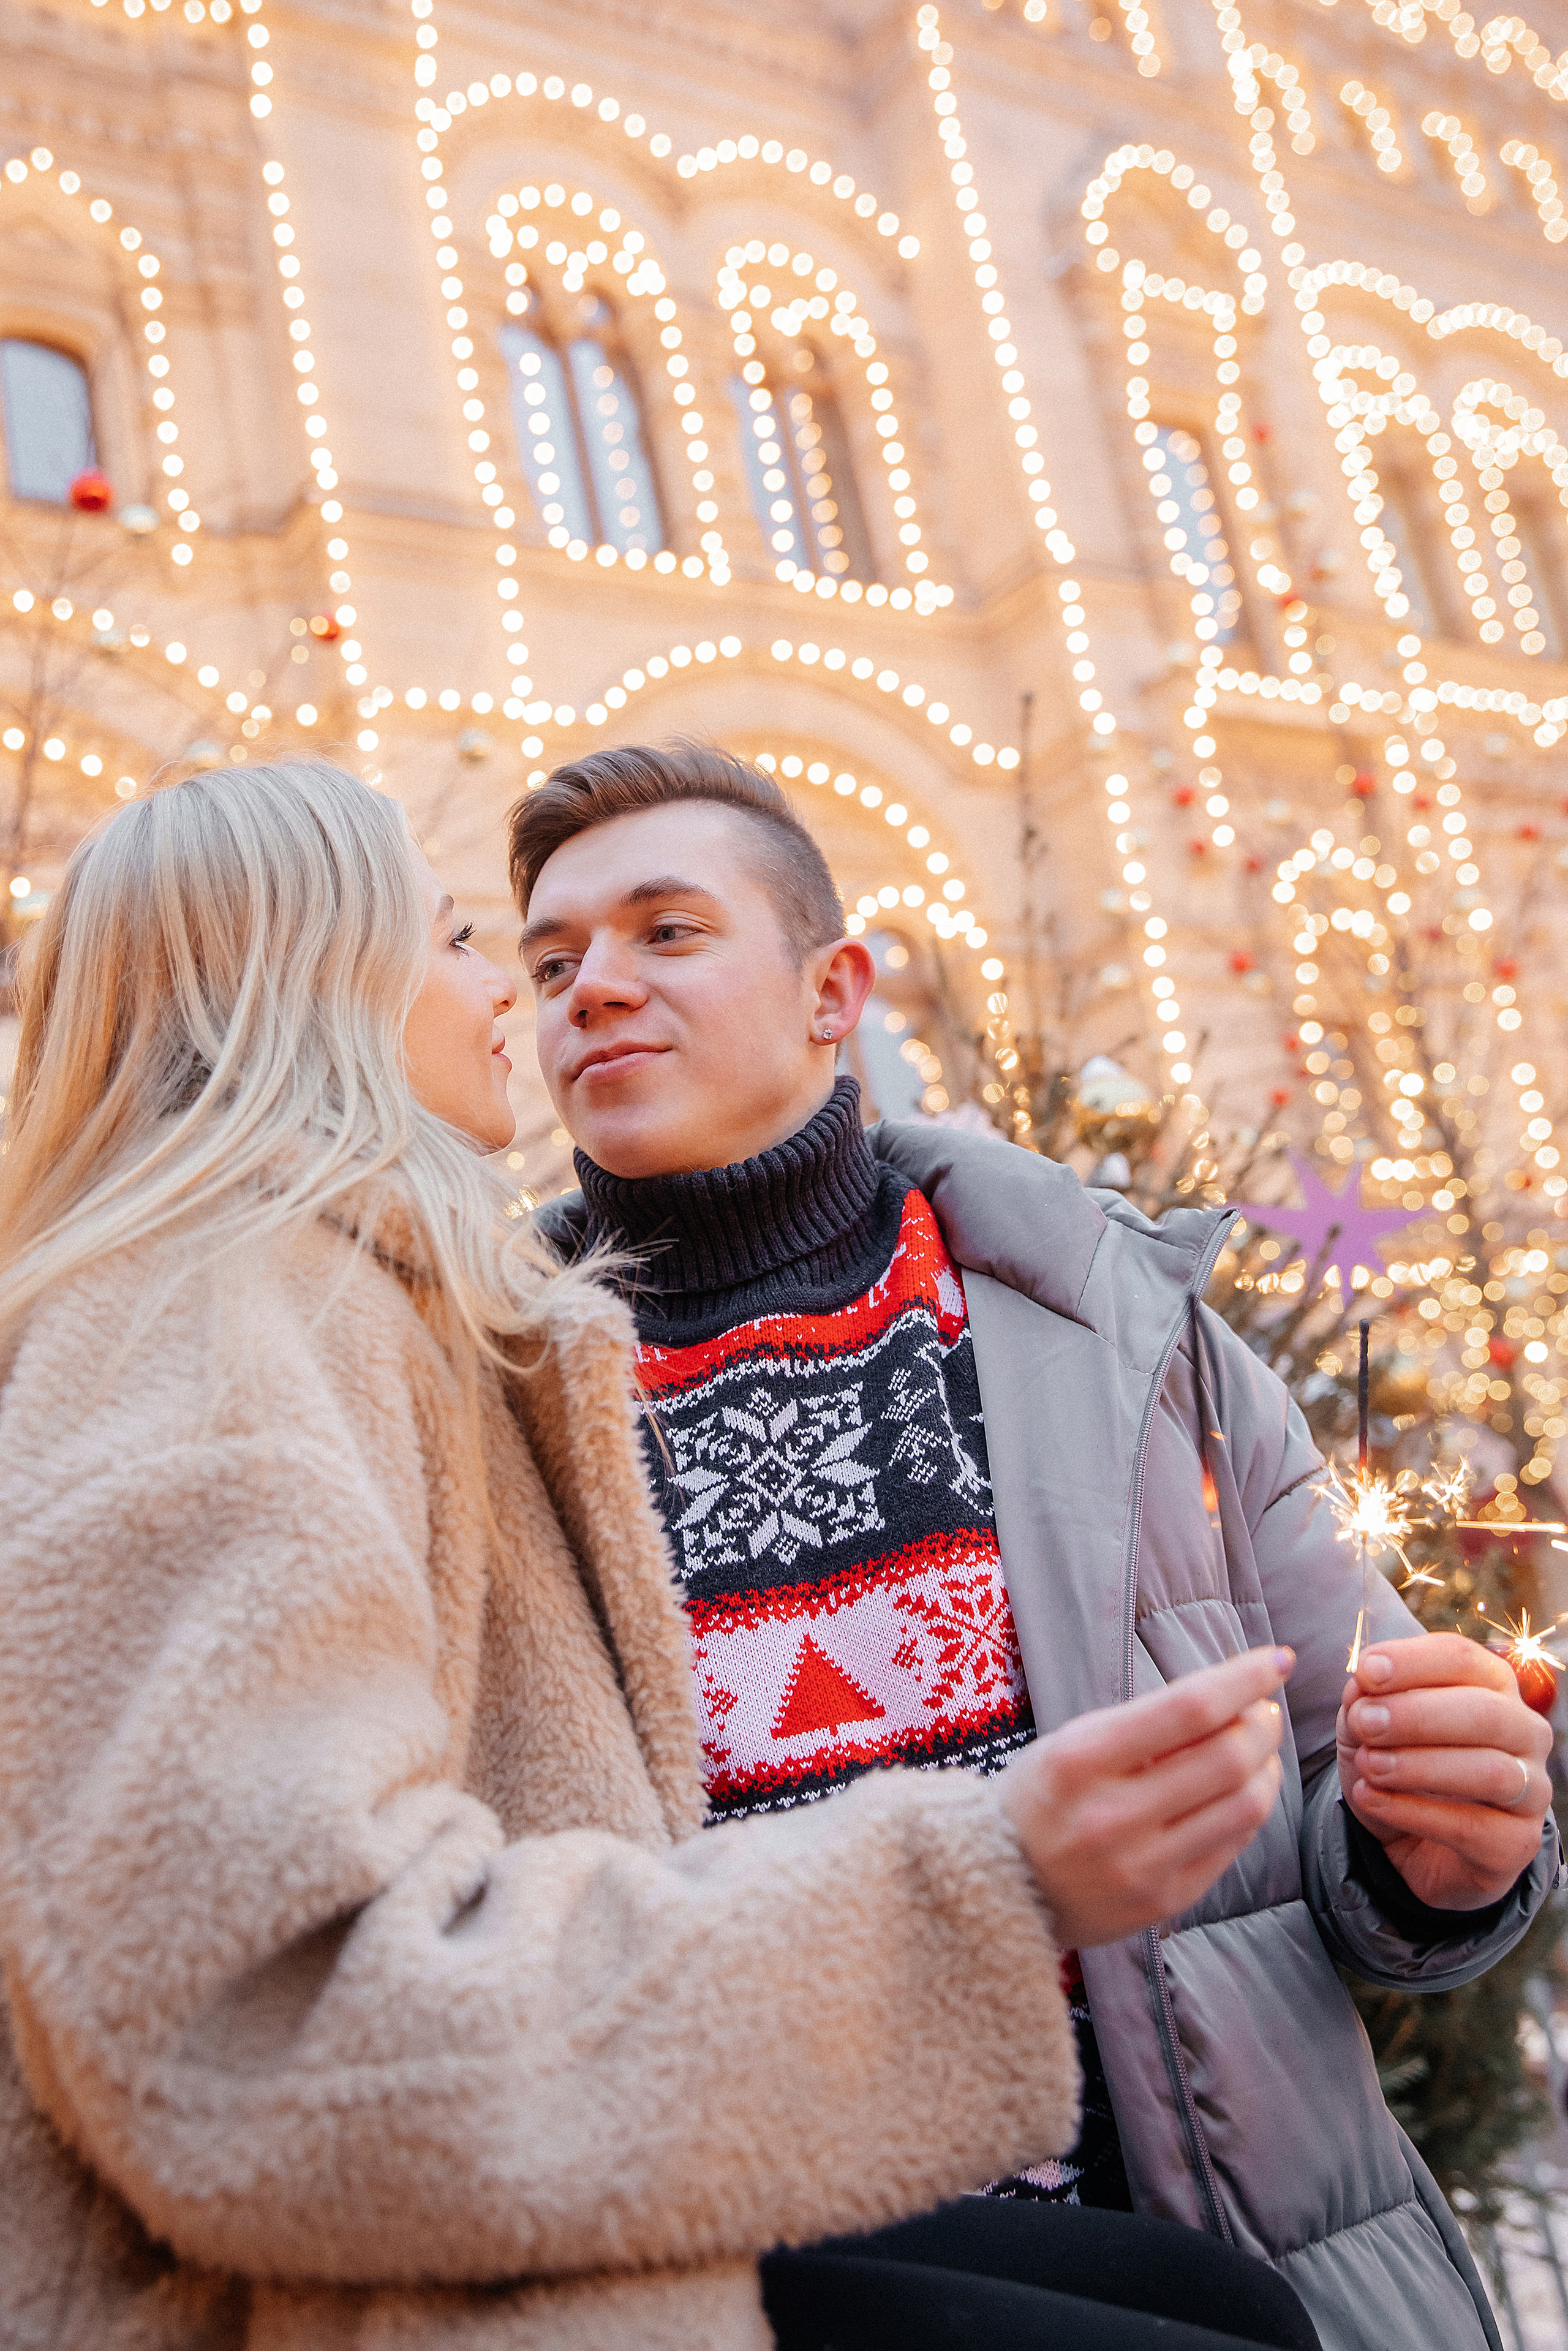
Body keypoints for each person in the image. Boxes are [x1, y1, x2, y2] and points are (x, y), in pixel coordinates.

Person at [0, 757, 1317, 2351]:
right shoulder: (211, 1333)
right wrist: (978, 1881)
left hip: (553, 2192)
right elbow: (258, 2018)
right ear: (311, 978)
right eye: (486, 948)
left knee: (1226, 2305)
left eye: (663, 934)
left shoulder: (391, 1318)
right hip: (399, 2262)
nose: (542, 998)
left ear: (841, 994)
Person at [513, 740, 1563, 2351]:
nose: (592, 986)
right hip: (725, 2278)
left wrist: (1447, 1852)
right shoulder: (476, 1402)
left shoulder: (1125, 1337)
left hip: (1200, 2248)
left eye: (667, 931)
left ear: (832, 991)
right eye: (551, 958)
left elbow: (1365, 1817)